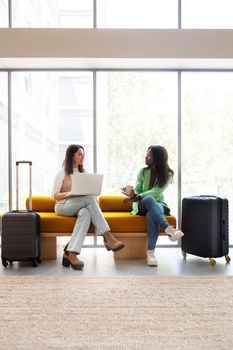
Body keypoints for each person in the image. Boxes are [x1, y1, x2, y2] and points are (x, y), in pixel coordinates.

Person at [52, 144, 124, 270]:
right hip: (63, 205)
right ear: (72, 156)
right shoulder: (62, 172)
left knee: (85, 213)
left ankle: (71, 253)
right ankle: (108, 237)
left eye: (83, 154)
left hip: (80, 205)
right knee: (90, 198)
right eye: (80, 154)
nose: (82, 157)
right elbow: (55, 195)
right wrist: (70, 193)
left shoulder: (83, 173)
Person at [122, 145, 184, 267]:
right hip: (141, 205)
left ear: (158, 158)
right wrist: (132, 194)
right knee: (149, 199)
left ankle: (151, 252)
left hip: (158, 204)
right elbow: (139, 189)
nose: (146, 156)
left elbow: (157, 191)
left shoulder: (168, 174)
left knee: (152, 213)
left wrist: (139, 196)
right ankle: (168, 229)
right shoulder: (143, 171)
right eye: (147, 154)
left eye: (149, 155)